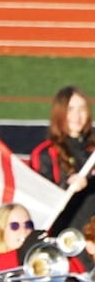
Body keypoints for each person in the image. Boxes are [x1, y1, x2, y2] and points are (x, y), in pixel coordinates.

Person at [29, 86, 95, 231]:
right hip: (68, 233)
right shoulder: (46, 153)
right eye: (70, 109)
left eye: (82, 109)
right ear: (59, 113)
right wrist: (67, 185)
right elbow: (37, 195)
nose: (77, 116)